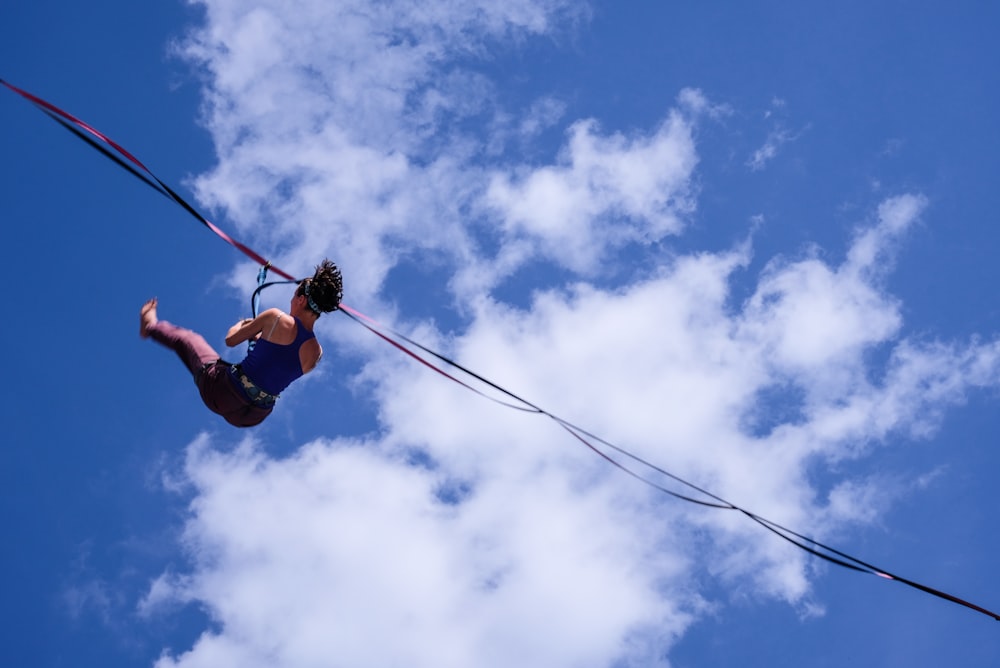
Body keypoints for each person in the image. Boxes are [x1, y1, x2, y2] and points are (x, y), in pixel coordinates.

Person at [140, 260, 343, 427]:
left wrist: (244, 324)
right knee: (218, 370)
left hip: (222, 392)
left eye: (293, 296)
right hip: (251, 417)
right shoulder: (316, 352)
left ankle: (150, 326)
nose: (290, 301)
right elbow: (277, 365)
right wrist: (260, 340)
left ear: (301, 300)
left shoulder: (277, 318)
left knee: (189, 340)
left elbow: (230, 340)